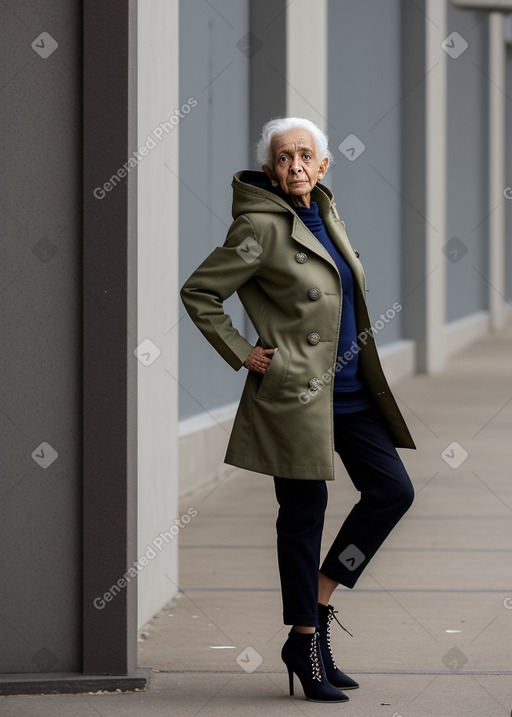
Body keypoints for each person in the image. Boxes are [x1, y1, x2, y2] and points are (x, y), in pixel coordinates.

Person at [180, 117, 415, 703]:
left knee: (392, 492)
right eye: (284, 158)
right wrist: (245, 353)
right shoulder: (257, 227)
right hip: (296, 395)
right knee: (304, 514)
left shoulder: (328, 215)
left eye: (306, 156)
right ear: (270, 170)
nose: (296, 167)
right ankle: (306, 639)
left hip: (354, 392)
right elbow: (200, 292)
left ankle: (320, 599)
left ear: (324, 165)